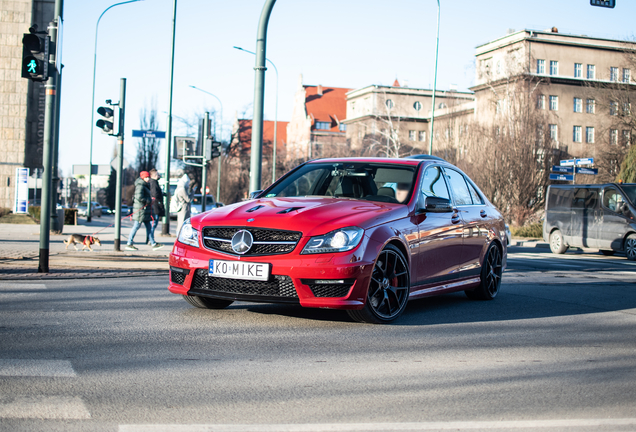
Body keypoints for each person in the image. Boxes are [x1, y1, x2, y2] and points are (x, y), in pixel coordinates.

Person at [126, 171, 163, 251]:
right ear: (142, 177)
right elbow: (139, 197)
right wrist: (149, 200)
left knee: (149, 227)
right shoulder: (141, 186)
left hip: (144, 211)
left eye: (148, 177)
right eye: (146, 177)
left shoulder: (144, 185)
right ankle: (129, 243)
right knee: (136, 227)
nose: (148, 179)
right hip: (141, 211)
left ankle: (153, 243)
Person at [146, 168, 165, 245]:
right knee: (154, 223)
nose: (158, 175)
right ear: (153, 175)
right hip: (155, 206)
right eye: (157, 174)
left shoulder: (154, 182)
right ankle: (151, 240)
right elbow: (155, 194)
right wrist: (159, 200)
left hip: (155, 205)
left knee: (152, 224)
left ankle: (150, 239)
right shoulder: (153, 183)